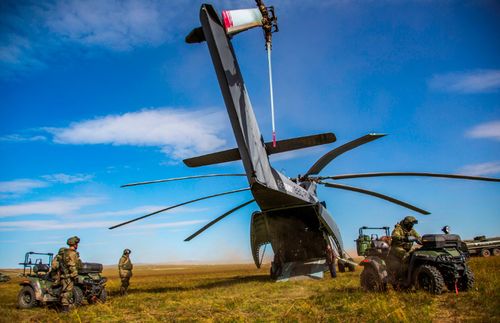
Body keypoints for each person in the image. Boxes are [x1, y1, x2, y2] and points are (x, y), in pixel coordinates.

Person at [59, 236, 81, 312]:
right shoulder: (71, 253)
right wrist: (75, 274)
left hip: (67, 275)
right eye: (76, 243)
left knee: (67, 291)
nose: (77, 245)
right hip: (68, 276)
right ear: (74, 244)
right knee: (67, 292)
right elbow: (71, 265)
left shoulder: (66, 252)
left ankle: (65, 308)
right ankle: (65, 310)